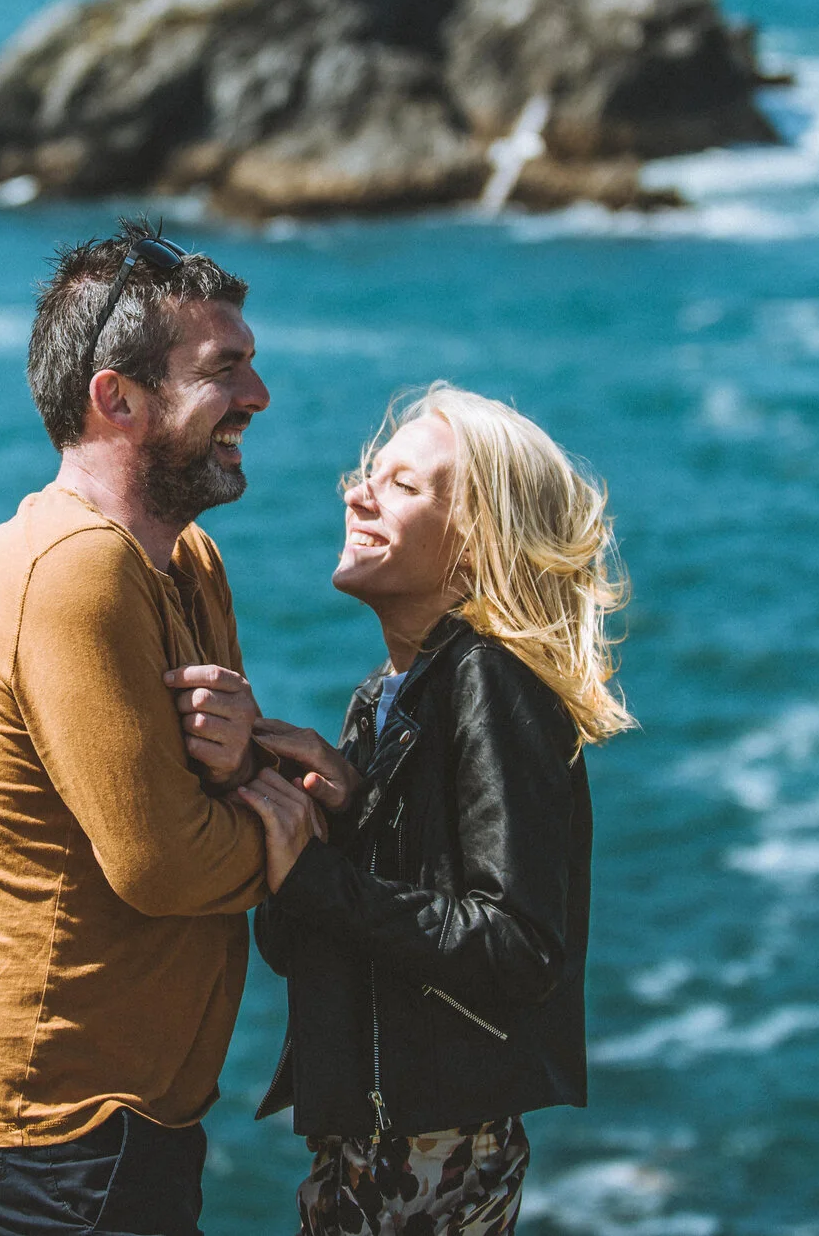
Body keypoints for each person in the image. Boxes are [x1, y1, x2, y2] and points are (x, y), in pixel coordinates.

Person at [0, 220, 277, 1236]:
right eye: (225, 370)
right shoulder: (75, 569)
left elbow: (217, 781)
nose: (257, 397)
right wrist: (300, 817)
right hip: (63, 1130)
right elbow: (166, 862)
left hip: (134, 1116)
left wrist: (250, 759)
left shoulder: (187, 561)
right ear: (115, 397)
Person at [224, 383, 632, 1236]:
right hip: (370, 1145)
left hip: (431, 1149)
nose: (356, 490)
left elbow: (520, 945)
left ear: (478, 540)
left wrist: (317, 867)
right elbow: (295, 941)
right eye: (370, 472)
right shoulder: (380, 701)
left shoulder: (495, 681)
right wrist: (335, 819)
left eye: (403, 485)